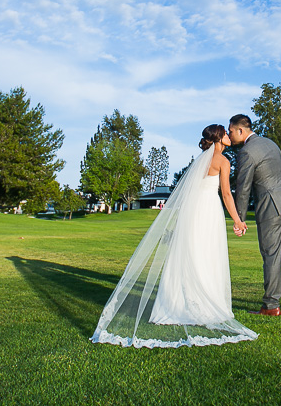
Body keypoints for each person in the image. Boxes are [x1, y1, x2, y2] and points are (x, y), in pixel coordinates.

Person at [91, 124, 256, 348]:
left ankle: (174, 305)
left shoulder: (200, 161)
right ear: (218, 138)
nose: (228, 136)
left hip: (193, 212)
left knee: (189, 254)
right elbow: (226, 193)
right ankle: (207, 306)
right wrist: (238, 220)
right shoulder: (222, 161)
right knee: (208, 255)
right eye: (225, 134)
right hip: (208, 211)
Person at [229, 113, 281, 316]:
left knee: (271, 255)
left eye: (231, 132)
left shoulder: (246, 152)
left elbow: (243, 188)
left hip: (270, 207)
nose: (229, 136)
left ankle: (271, 305)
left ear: (240, 130)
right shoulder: (270, 143)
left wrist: (239, 218)